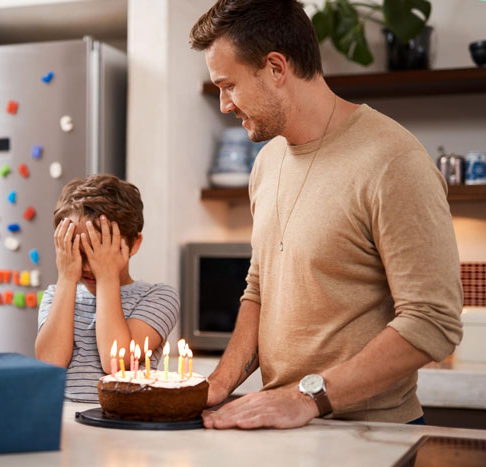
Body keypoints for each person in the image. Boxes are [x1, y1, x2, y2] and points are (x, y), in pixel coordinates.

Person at [189, 0, 463, 429]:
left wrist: (305, 398)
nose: (224, 105)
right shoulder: (267, 161)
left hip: (370, 435)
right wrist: (217, 385)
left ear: (277, 68)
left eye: (230, 86)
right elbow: (259, 290)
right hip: (283, 426)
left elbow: (432, 322)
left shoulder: (393, 160)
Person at [35, 174, 179, 402]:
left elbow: (114, 363)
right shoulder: (57, 294)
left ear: (135, 243)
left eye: (99, 250)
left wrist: (107, 278)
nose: (87, 265)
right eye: (77, 251)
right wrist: (66, 279)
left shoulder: (159, 297)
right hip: (65, 420)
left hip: (125, 421)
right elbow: (49, 364)